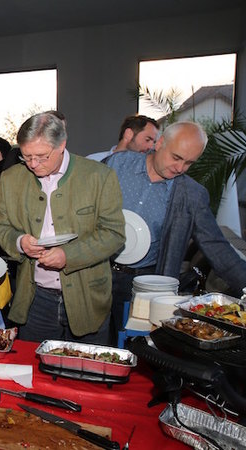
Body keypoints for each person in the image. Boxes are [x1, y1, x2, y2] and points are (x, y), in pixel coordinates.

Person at [0, 112, 125, 344]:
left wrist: (68, 255)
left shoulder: (98, 176)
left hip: (87, 298)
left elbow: (114, 234)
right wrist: (20, 242)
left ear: (62, 145)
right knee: (34, 363)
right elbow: (1, 227)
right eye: (26, 157)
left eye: (41, 157)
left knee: (86, 364)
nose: (33, 164)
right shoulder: (11, 179)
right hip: (35, 299)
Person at [106, 121, 246, 337]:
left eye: (189, 163)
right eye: (176, 157)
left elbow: (216, 247)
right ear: (160, 143)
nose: (180, 168)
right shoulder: (117, 164)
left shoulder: (191, 195)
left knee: (135, 345)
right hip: (98, 274)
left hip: (146, 286)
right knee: (94, 342)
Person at [87, 114, 158, 161]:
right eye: (147, 140)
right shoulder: (93, 161)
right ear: (128, 134)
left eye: (154, 142)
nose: (151, 147)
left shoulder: (145, 171)